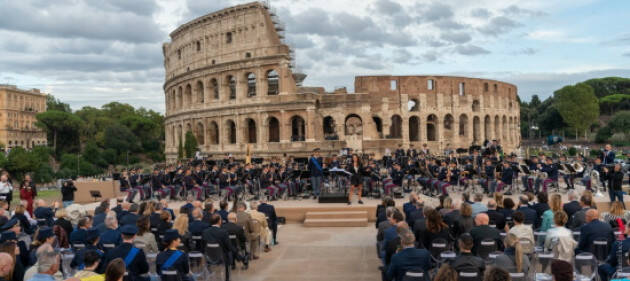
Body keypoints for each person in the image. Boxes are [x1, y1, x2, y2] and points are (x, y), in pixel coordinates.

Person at [202, 214, 237, 281]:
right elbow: (229, 247)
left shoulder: (205, 232)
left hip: (209, 256)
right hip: (222, 258)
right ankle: (227, 278)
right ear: (219, 221)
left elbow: (203, 245)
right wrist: (236, 251)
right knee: (229, 253)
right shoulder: (223, 232)